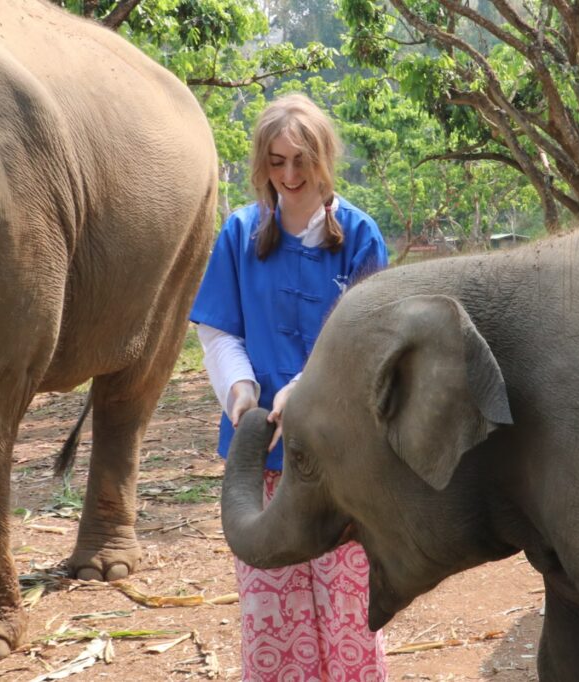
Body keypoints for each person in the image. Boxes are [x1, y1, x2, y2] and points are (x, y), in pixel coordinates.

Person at [189, 93, 390, 681]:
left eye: (303, 161)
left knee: (349, 611)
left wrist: (302, 389)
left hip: (342, 461)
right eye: (277, 161)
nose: (291, 176)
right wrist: (242, 394)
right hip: (263, 460)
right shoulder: (240, 233)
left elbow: (365, 343)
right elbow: (219, 331)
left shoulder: (358, 236)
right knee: (271, 616)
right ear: (262, 163)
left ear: (325, 159)